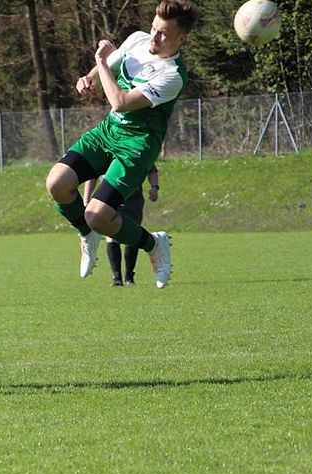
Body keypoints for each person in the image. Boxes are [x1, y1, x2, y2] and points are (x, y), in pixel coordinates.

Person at [44, 0, 197, 289]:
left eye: (163, 34)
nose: (154, 37)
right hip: (109, 131)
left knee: (98, 216)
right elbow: (109, 67)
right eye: (153, 28)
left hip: (137, 146)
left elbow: (121, 101)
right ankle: (86, 235)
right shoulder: (138, 40)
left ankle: (154, 244)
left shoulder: (173, 75)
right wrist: (89, 77)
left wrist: (101, 62)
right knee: (56, 183)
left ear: (181, 38)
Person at [82, 166, 160, 286]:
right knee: (110, 234)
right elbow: (92, 175)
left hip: (133, 200)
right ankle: (116, 277)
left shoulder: (137, 155)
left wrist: (154, 187)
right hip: (109, 198)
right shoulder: (106, 155)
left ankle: (129, 276)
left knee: (132, 234)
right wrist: (86, 198)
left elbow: (152, 170)